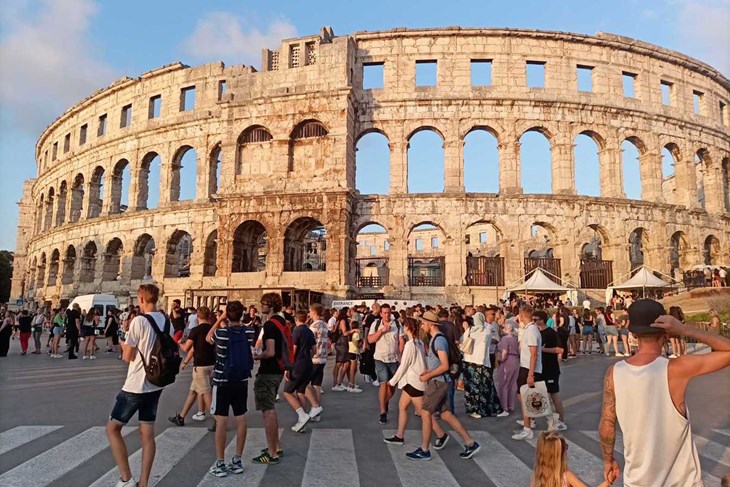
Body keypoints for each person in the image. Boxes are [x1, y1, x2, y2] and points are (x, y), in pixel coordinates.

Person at [599, 299, 730, 486]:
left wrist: (608, 461)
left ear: (633, 333)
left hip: (638, 482)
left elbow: (607, 425)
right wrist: (685, 330)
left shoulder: (614, 373)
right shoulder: (677, 368)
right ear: (666, 332)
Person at [106, 284, 170, 487]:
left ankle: (126, 479)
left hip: (136, 385)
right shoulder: (166, 320)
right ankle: (144, 483)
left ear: (141, 299)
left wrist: (123, 341)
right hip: (156, 383)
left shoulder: (139, 321)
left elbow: (127, 357)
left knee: (113, 428)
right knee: (147, 434)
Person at [406, 311, 480, 461]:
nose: (421, 325)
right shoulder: (437, 339)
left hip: (438, 382)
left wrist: (429, 375)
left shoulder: (438, 341)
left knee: (425, 413)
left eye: (423, 323)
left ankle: (425, 449)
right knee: (446, 414)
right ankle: (470, 442)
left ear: (430, 324)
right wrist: (430, 371)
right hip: (440, 380)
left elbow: (445, 365)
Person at [206, 301, 253, 478]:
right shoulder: (249, 331)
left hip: (222, 379)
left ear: (228, 314)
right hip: (241, 379)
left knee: (222, 421)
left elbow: (208, 337)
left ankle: (220, 462)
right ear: (242, 314)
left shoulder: (221, 332)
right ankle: (238, 459)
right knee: (241, 418)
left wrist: (220, 319)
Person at [383, 317, 432, 445]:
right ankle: (399, 436)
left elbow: (404, 365)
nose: (403, 328)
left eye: (404, 326)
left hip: (413, 382)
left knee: (424, 413)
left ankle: (440, 434)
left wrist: (392, 382)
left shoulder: (410, 345)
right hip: (413, 382)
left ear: (408, 328)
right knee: (402, 406)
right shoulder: (419, 342)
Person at [251, 292, 286, 464]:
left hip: (269, 371)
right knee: (271, 408)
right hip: (278, 370)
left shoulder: (270, 326)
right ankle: (276, 446)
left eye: (263, 303)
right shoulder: (281, 321)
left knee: (268, 412)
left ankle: (271, 453)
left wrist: (256, 356)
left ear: (270, 306)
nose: (260, 305)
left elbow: (270, 352)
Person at [169, 306, 215, 426]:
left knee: (206, 393)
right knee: (193, 391)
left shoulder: (195, 330)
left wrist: (179, 343)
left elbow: (187, 348)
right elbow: (195, 348)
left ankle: (218, 420)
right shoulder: (212, 329)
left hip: (200, 365)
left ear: (198, 317)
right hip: (211, 364)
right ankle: (181, 416)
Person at [282, 310, 319, 433]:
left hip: (297, 364)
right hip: (308, 363)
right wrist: (308, 356)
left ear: (296, 320)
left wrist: (288, 366)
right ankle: (302, 422)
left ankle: (302, 415)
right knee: (301, 392)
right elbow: (314, 349)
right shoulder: (309, 331)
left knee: (287, 391)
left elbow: (293, 349)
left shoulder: (297, 331)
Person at [531, 431, 612, 487]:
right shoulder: (566, 476)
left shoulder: (538, 475)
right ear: (560, 455)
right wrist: (609, 481)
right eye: (566, 447)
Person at [368, 303, 405, 424]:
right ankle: (383, 411)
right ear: (381, 314)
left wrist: (401, 353)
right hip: (380, 358)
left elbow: (401, 340)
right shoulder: (376, 324)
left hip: (394, 359)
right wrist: (381, 331)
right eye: (384, 313)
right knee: (383, 384)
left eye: (388, 312)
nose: (387, 315)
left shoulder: (397, 324)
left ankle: (385, 401)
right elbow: (370, 339)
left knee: (392, 386)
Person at [461, 312, 503, 418]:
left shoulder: (469, 331)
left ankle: (474, 409)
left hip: (469, 361)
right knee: (485, 387)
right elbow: (490, 344)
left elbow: (462, 342)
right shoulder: (487, 332)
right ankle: (486, 409)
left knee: (472, 388)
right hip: (482, 363)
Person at [512, 304, 543, 441]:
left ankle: (527, 428)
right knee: (522, 395)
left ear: (522, 315)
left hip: (528, 368)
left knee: (524, 397)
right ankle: (529, 420)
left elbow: (534, 353)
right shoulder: (530, 329)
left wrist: (531, 374)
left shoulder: (531, 330)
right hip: (526, 366)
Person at [534, 310, 567, 431]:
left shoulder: (552, 333)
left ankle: (561, 421)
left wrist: (544, 350)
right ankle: (532, 420)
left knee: (554, 394)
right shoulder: (536, 332)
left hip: (551, 368)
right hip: (539, 368)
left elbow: (560, 350)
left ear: (542, 320)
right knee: (537, 394)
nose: (534, 322)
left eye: (535, 319)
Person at [307, 303, 329, 413]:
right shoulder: (325, 325)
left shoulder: (314, 326)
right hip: (323, 357)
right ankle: (316, 409)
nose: (309, 313)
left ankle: (314, 406)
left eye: (310, 311)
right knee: (317, 385)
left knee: (304, 384)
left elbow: (310, 342)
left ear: (314, 313)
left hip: (314, 357)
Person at [495, 322, 519, 417]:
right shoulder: (514, 338)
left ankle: (504, 406)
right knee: (512, 383)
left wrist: (500, 360)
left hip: (507, 361)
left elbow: (504, 352)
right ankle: (511, 405)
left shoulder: (505, 339)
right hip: (515, 360)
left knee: (504, 384)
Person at [331, 307, 351, 391]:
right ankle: (335, 383)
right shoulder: (342, 321)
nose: (350, 312)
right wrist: (353, 330)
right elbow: (344, 332)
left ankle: (340, 382)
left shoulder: (343, 320)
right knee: (339, 363)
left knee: (346, 363)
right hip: (341, 343)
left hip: (344, 343)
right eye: (349, 311)